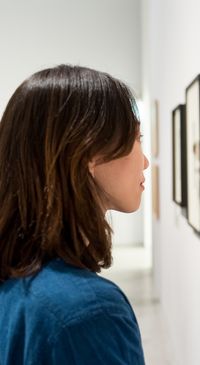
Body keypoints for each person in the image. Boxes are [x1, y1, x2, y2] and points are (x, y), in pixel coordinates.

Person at [0, 65, 149, 364]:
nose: (144, 161)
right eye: (136, 138)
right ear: (89, 153)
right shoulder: (87, 313)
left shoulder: (15, 283)